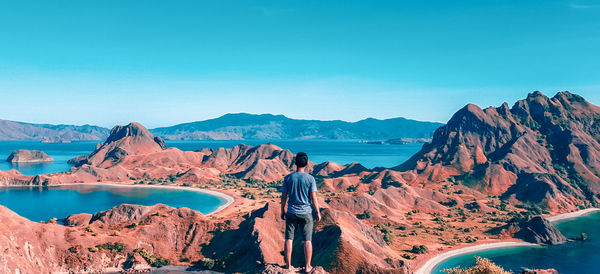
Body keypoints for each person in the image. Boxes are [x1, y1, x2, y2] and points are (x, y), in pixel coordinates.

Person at [280, 152, 321, 273]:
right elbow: (313, 198)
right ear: (307, 163)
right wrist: (317, 212)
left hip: (291, 212)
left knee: (289, 239)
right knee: (307, 240)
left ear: (295, 163)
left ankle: (288, 266)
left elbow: (284, 196)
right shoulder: (310, 179)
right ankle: (308, 266)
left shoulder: (288, 178)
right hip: (306, 213)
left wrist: (282, 210)